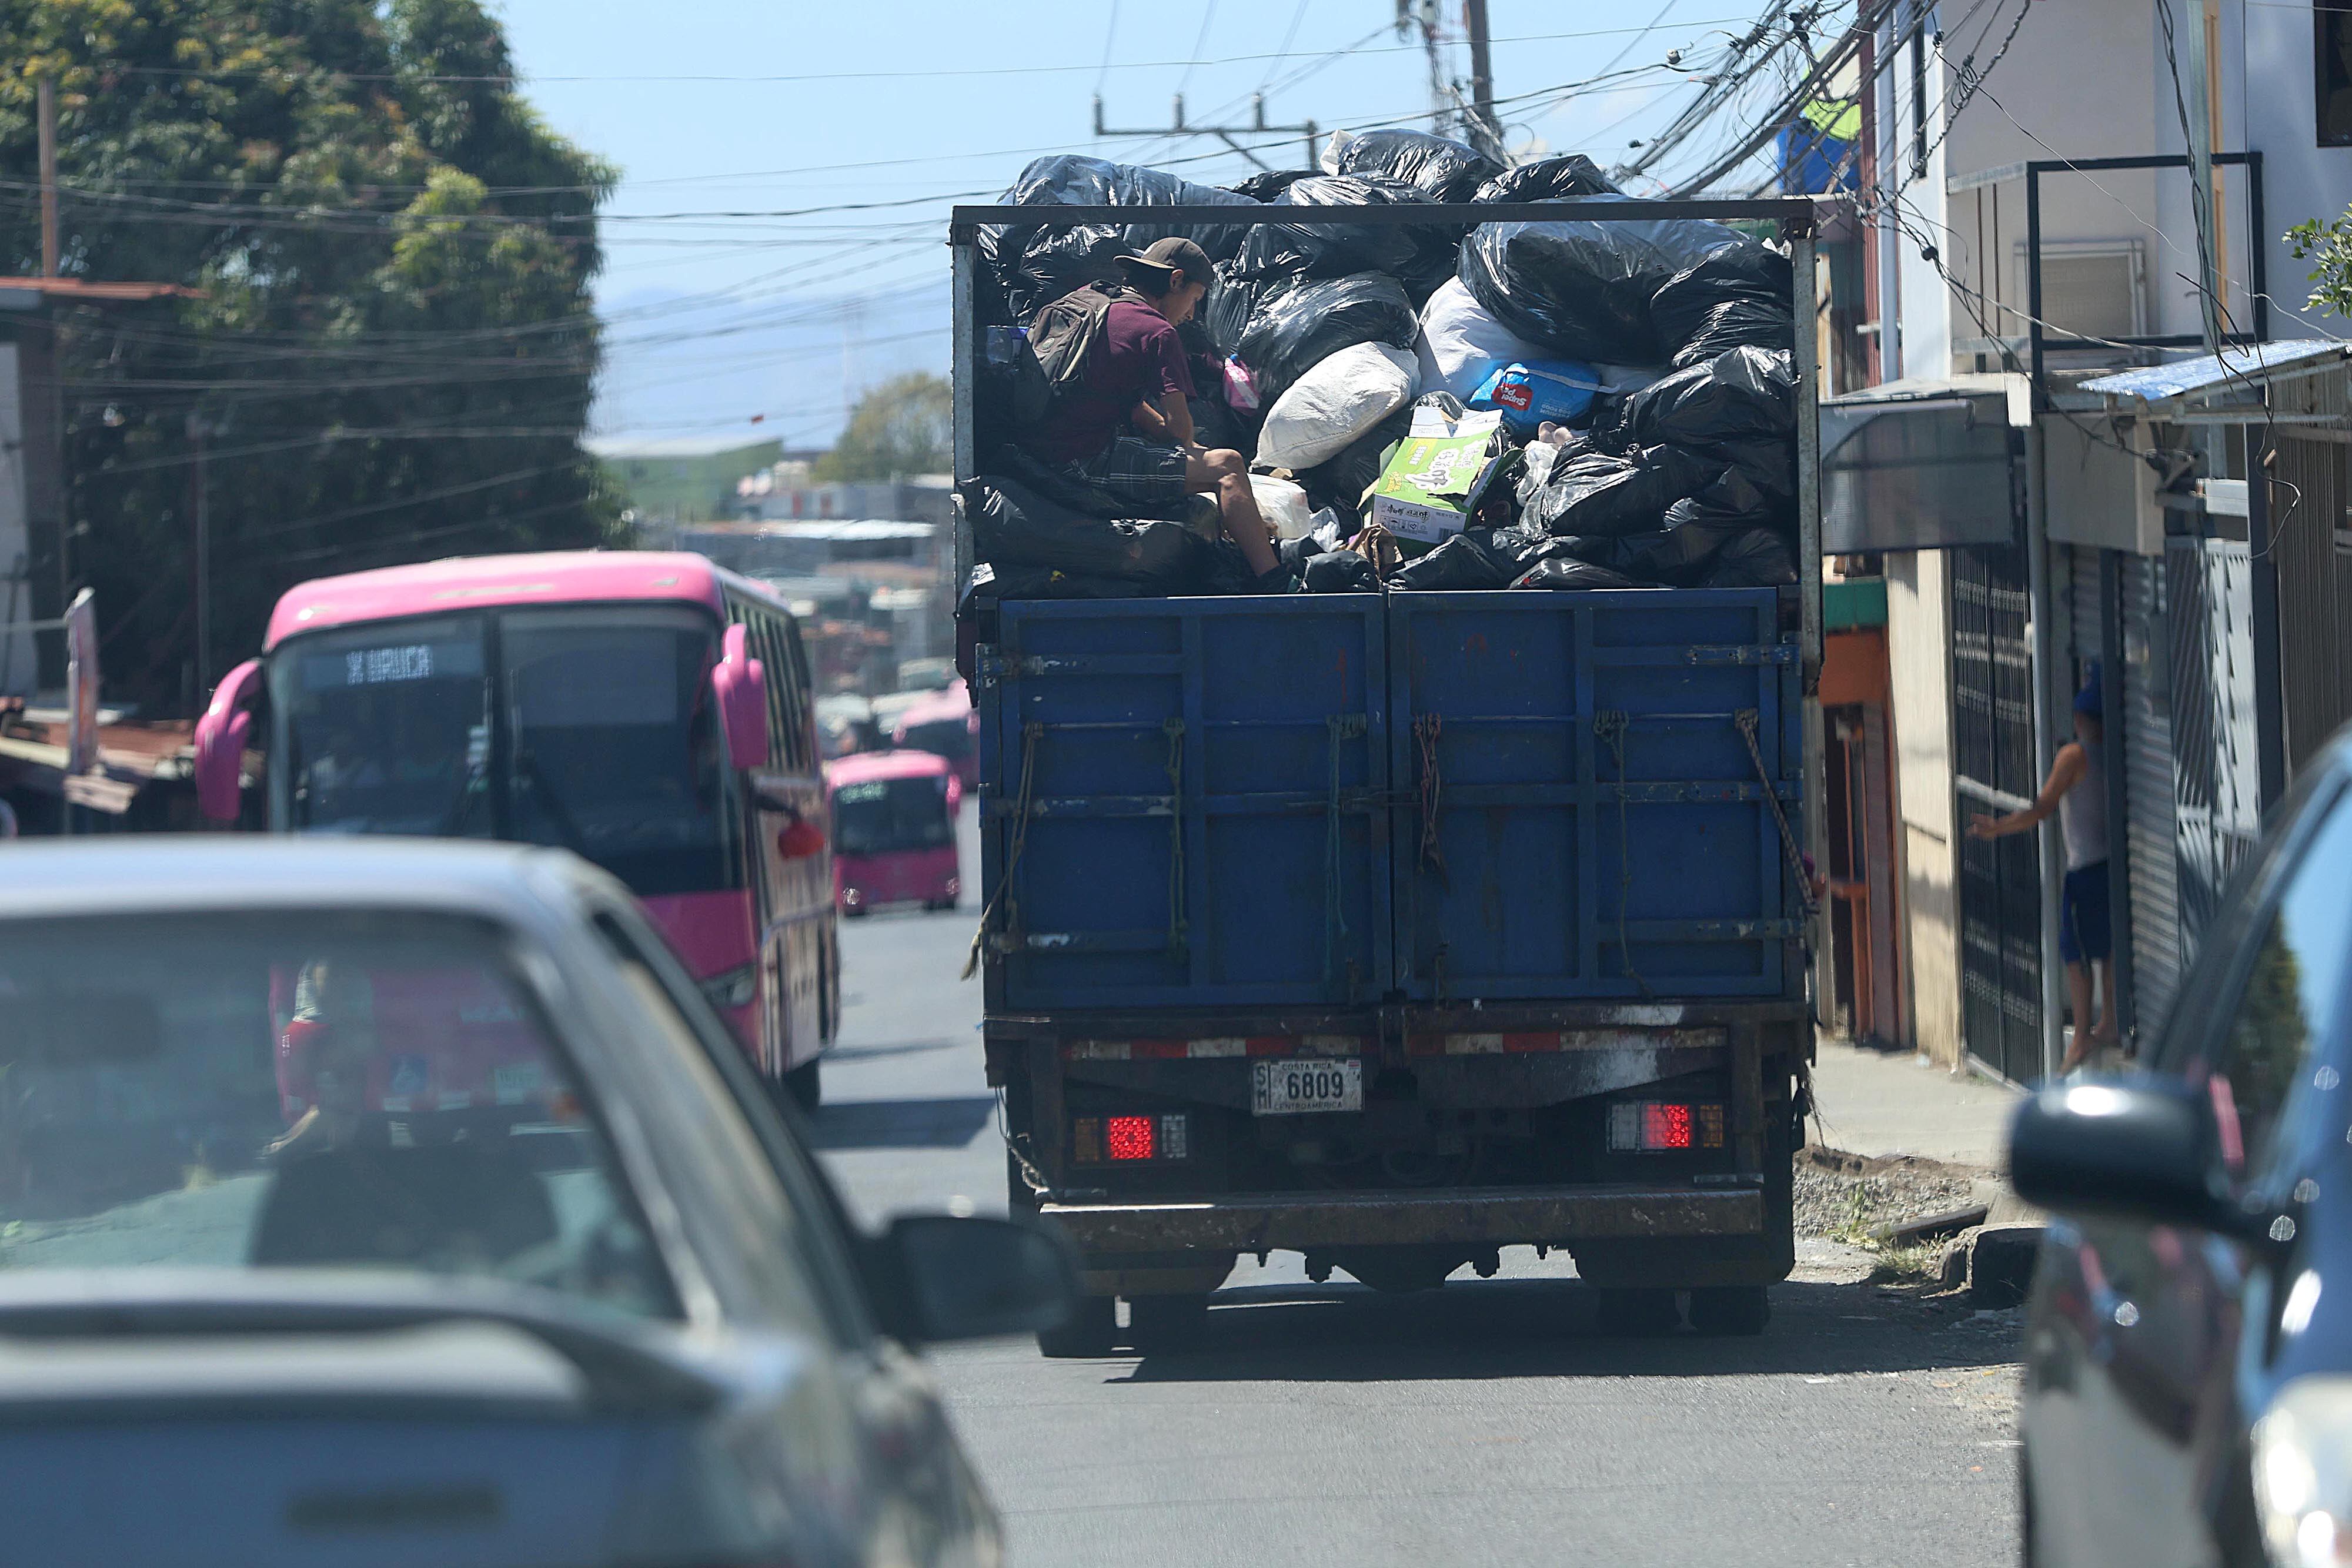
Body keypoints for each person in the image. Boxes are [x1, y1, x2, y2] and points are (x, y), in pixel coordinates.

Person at [1018, 236, 1281, 580]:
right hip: (1081, 460)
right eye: (1195, 299)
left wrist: (1184, 448)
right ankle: (1275, 580)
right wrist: (1193, 451)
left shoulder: (1094, 300)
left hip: (1037, 446)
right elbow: (1179, 431)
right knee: (1228, 466)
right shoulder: (1157, 332)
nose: (1191, 314)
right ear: (1176, 281)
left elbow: (1119, 401)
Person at [1967, 671, 2116, 1072]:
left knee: (2075, 950)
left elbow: (2042, 807)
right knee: (2107, 949)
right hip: (2109, 866)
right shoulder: (2114, 752)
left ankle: (2082, 1036)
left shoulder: (2074, 756)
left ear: (2080, 719)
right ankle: (2109, 1023)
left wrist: (1997, 827)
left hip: (2084, 868)